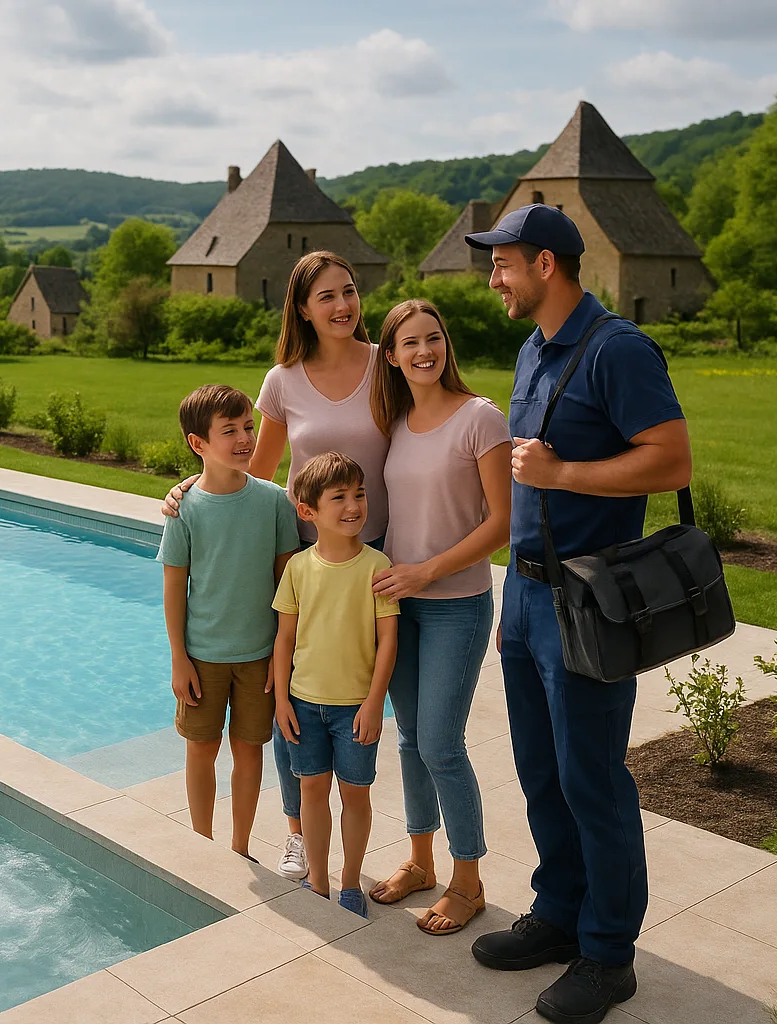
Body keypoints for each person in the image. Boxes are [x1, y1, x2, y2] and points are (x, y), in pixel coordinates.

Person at [463, 205, 691, 1024]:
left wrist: (566, 475)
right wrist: (513, 598)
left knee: (592, 777)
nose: (494, 279)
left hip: (590, 601)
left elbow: (671, 460)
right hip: (528, 597)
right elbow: (527, 489)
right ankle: (559, 911)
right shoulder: (533, 348)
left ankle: (608, 954)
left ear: (547, 265)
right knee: (540, 769)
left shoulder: (617, 349)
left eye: (504, 264)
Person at [163, 251, 389, 883]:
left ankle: (375, 850)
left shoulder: (386, 365)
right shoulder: (282, 380)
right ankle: (295, 835)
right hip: (302, 571)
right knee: (297, 710)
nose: (342, 305)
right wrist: (188, 490)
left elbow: (428, 414)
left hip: (373, 560)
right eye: (326, 296)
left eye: (349, 291)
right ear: (302, 308)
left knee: (344, 704)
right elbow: (251, 468)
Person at [365, 299, 512, 936]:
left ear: (445, 345)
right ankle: (421, 862)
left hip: (457, 606)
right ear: (391, 356)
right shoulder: (394, 422)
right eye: (410, 343)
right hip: (399, 606)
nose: (424, 351)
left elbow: (503, 524)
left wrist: (427, 571)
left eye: (433, 338)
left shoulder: (482, 418)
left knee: (441, 744)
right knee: (409, 739)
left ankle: (468, 882)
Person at [157, 384, 301, 859]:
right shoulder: (183, 510)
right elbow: (174, 589)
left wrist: (282, 655)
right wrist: (179, 658)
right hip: (202, 656)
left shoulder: (274, 502)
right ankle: (202, 842)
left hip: (259, 657)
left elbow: (286, 586)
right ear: (198, 443)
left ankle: (239, 846)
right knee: (201, 748)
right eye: (230, 431)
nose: (244, 439)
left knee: (249, 749)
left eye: (248, 427)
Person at [272, 452, 399, 916]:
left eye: (359, 495)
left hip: (355, 709)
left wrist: (374, 703)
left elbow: (388, 641)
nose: (353, 506)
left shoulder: (377, 566)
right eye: (339, 497)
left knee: (355, 794)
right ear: (308, 511)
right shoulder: (298, 568)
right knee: (311, 793)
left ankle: (349, 884)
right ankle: (319, 883)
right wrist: (281, 701)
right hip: (303, 705)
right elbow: (284, 639)